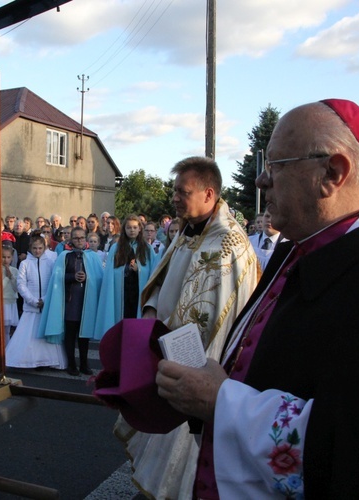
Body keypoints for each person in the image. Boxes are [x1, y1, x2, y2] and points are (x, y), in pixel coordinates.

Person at [156, 99, 359, 498]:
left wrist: (223, 401)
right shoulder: (297, 252)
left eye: (275, 165)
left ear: (332, 173)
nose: (260, 181)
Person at [113, 157, 259, 499]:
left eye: (183, 191)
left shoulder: (228, 245)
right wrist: (150, 312)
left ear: (209, 194)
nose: (175, 198)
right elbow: (164, 279)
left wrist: (172, 346)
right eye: (175, 190)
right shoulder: (188, 228)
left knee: (187, 461)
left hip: (199, 359)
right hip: (162, 343)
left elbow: (214, 317)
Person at [40, 227, 103, 376]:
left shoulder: (93, 256)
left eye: (82, 238)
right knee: (70, 334)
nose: (79, 240)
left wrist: (88, 277)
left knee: (84, 335)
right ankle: (71, 364)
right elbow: (57, 277)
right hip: (70, 301)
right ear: (71, 240)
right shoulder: (64, 256)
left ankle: (84, 363)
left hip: (86, 302)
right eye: (76, 238)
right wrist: (72, 277)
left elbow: (100, 277)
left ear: (86, 239)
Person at [5, 236, 67, 369]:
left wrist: (45, 299)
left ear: (44, 248)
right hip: (30, 307)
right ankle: (27, 361)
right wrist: (32, 300)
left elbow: (53, 282)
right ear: (30, 248)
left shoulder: (50, 263)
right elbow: (21, 284)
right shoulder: (25, 264)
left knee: (45, 337)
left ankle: (48, 361)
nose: (37, 251)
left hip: (45, 306)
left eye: (40, 248)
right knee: (27, 337)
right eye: (34, 248)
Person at [93, 215, 157, 340]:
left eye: (134, 227)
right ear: (124, 229)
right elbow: (111, 273)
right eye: (128, 227)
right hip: (121, 293)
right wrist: (125, 269)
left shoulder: (147, 249)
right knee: (121, 328)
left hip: (139, 293)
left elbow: (153, 272)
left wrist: (140, 270)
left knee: (137, 330)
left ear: (140, 229)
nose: (132, 230)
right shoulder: (116, 248)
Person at [1, 245, 19, 346]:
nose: (6, 260)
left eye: (8, 257)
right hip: (3, 302)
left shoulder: (14, 270)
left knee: (7, 330)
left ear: (12, 258)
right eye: (3, 257)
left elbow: (16, 288)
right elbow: (0, 288)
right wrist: (7, 278)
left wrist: (11, 277)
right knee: (1, 330)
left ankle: (7, 351)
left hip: (11, 302)